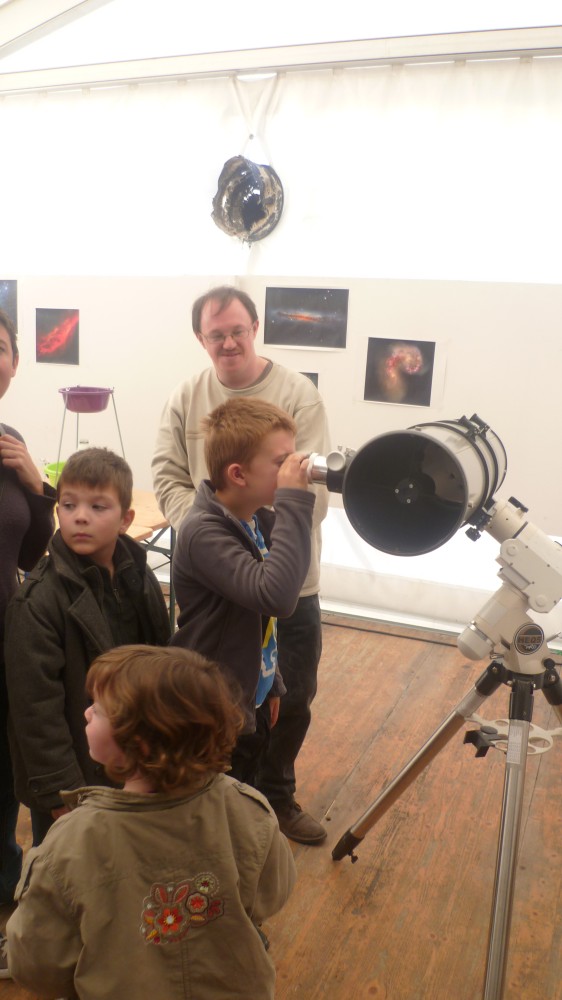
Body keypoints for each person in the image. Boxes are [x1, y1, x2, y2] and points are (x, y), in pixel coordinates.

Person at [6, 644, 296, 1000]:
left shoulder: (70, 843)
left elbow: (36, 963)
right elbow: (273, 893)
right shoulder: (246, 808)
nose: (86, 713)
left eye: (98, 709)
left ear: (140, 745)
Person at [152, 285, 330, 844]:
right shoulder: (188, 397)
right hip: (229, 593)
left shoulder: (297, 395)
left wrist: (255, 524)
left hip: (285, 585)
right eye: (216, 334)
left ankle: (273, 801)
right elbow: (167, 474)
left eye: (237, 331)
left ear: (255, 328)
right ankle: (233, 827)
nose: (228, 342)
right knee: (224, 751)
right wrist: (215, 540)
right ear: (200, 338)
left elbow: (312, 494)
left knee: (289, 700)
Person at [3, 446, 171, 852]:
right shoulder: (37, 602)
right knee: (68, 870)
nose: (80, 516)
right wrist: (62, 793)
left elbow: (161, 659)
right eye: (69, 504)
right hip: (74, 778)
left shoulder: (139, 577)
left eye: (98, 506)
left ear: (126, 518)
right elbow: (35, 710)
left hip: (136, 763)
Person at [171, 396, 315, 798]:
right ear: (238, 474)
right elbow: (276, 596)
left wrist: (271, 683)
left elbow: (258, 618)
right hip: (211, 706)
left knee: (241, 796)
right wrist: (294, 502)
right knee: (213, 807)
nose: (294, 468)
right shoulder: (203, 532)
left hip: (248, 697)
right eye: (281, 461)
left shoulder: (255, 520)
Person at [0, 309, 56, 912]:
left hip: (4, 635)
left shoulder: (9, 440)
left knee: (2, 770)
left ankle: (4, 880)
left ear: (14, 363)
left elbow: (30, 553)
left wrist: (37, 484)